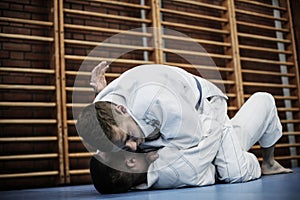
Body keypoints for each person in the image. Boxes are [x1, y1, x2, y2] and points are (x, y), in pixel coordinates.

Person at [76, 61, 292, 194]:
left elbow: (200, 138)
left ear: (122, 109)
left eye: (126, 140)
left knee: (235, 171)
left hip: (204, 107)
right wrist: (100, 93)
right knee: (233, 148)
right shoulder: (105, 112)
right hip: (170, 121)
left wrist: (217, 122)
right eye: (121, 146)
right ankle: (263, 116)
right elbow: (109, 137)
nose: (132, 147)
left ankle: (268, 160)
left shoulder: (162, 103)